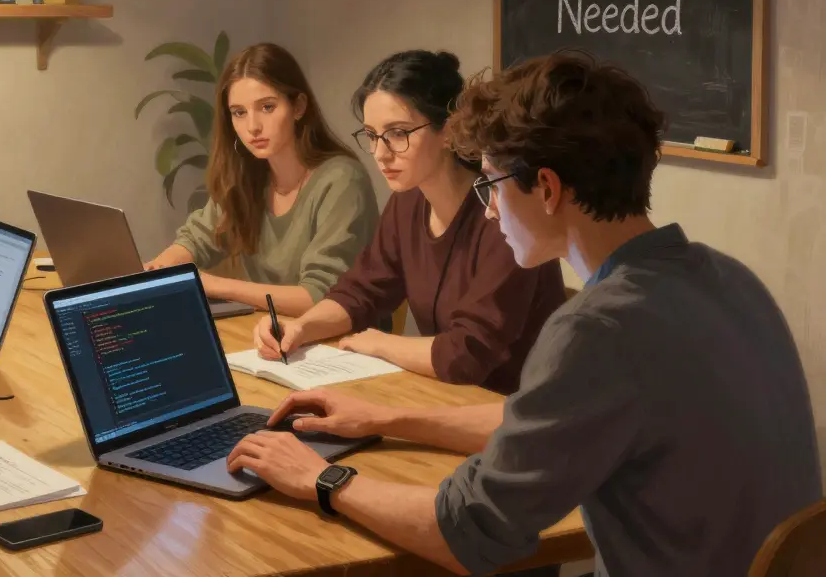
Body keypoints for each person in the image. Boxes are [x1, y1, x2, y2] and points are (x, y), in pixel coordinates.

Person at [225, 50, 821, 577]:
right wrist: (388, 418)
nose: (487, 211)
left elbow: (467, 533)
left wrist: (320, 479)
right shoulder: (727, 278)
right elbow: (545, 423)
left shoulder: (598, 328)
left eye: (490, 184)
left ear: (548, 189)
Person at [253, 50, 565, 394]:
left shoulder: (504, 216)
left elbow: (467, 355)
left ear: (448, 130)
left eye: (398, 133)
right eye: (371, 135)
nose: (380, 154)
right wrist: (301, 327)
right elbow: (362, 291)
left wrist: (380, 344)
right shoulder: (408, 201)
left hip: (511, 415)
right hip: (446, 397)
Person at [145, 43, 377, 316]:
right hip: (271, 335)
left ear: (298, 106)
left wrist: (214, 285)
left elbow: (320, 297)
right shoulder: (249, 174)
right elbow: (198, 237)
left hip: (341, 345)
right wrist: (164, 266)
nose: (252, 127)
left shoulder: (341, 180)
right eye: (239, 113)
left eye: (267, 107)